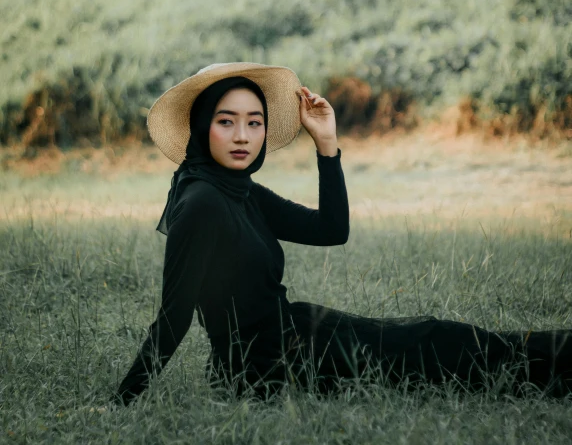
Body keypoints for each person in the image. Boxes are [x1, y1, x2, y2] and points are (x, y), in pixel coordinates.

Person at [112, 62, 572, 406]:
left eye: (254, 122)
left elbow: (331, 230)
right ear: (201, 126)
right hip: (276, 367)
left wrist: (326, 145)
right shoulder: (201, 203)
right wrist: (120, 403)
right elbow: (172, 318)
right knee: (438, 346)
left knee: (435, 336)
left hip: (301, 337)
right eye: (226, 120)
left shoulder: (239, 191)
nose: (243, 136)